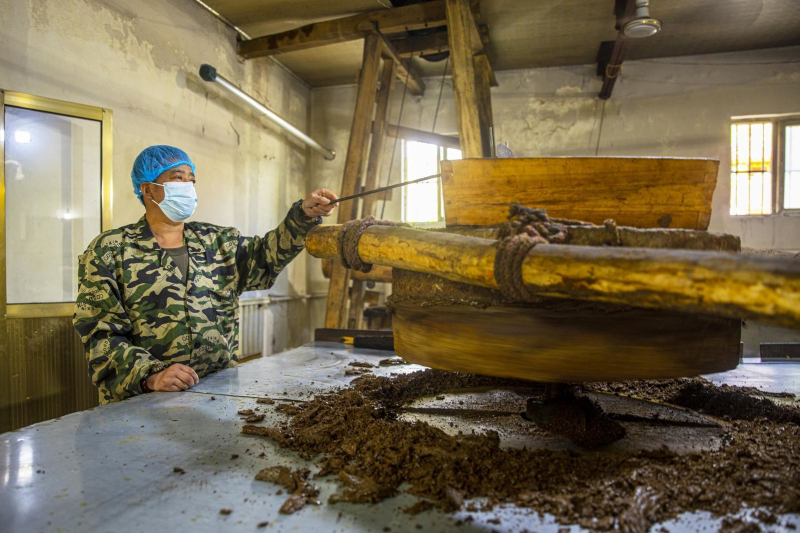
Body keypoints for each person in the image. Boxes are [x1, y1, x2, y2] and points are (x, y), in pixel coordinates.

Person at [73, 145, 337, 403]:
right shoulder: (111, 250)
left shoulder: (218, 242)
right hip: (143, 402)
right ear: (148, 189)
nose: (188, 186)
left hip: (217, 395)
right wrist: (151, 376)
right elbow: (100, 334)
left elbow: (267, 256)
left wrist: (303, 215)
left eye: (191, 180)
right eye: (178, 178)